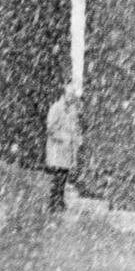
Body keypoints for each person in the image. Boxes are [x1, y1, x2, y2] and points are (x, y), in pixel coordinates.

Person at [44, 83, 80, 213]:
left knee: (64, 177)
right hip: (57, 150)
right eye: (69, 95)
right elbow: (50, 129)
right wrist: (63, 137)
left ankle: (59, 201)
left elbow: (75, 129)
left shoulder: (73, 110)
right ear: (64, 94)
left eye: (73, 96)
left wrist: (75, 142)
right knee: (57, 177)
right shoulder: (56, 108)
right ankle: (53, 203)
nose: (71, 98)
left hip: (67, 151)